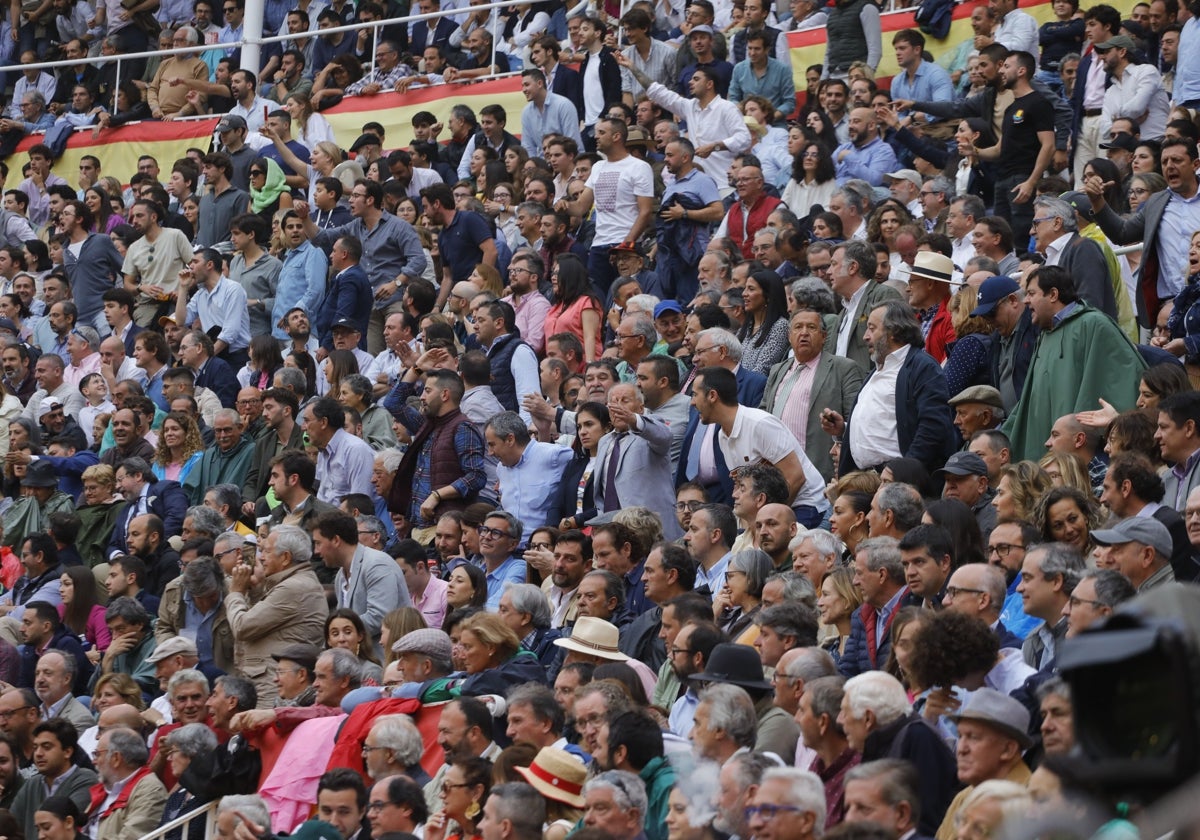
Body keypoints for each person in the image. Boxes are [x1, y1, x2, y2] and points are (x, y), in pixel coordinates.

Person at [1003, 266, 1146, 461]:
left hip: (1085, 458)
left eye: (1031, 293)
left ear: (1053, 294)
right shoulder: (1045, 335)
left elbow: (1126, 380)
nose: (1025, 300)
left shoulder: (1093, 324)